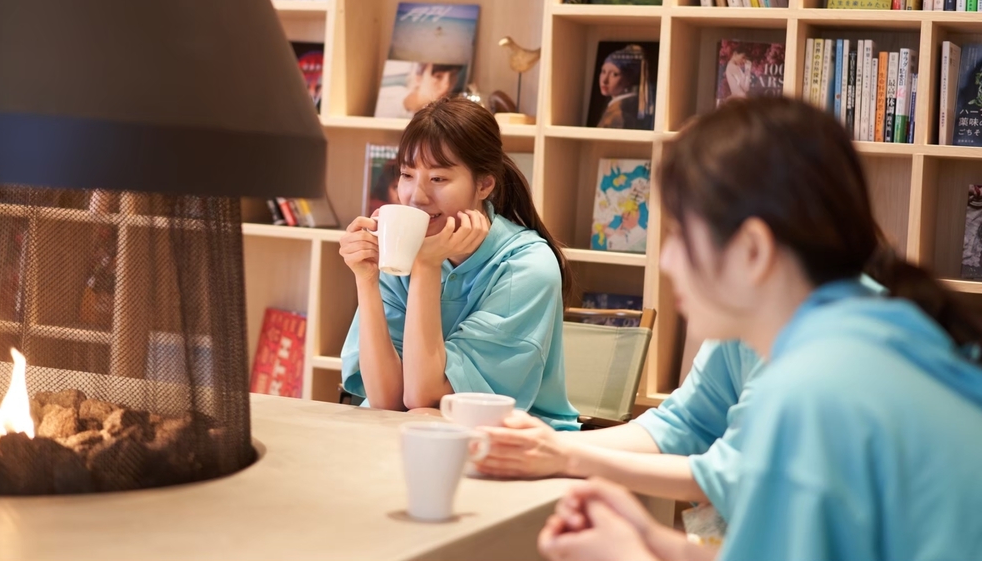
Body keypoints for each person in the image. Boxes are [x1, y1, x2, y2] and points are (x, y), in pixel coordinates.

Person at [537, 96, 982, 561]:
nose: (667, 261)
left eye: (678, 235)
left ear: (752, 250)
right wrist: (654, 542)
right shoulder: (875, 333)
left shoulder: (810, 387)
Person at [338, 98, 579, 429]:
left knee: (423, 419)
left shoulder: (528, 267)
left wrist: (426, 265)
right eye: (407, 175)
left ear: (484, 184)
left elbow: (423, 396)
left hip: (519, 442)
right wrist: (365, 278)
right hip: (407, 430)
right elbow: (385, 399)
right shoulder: (403, 245)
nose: (416, 196)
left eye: (438, 179)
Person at [476, 338, 762, 523]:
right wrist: (549, 443)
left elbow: (733, 478)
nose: (667, 261)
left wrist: (567, 455)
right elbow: (684, 423)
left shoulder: (797, 362)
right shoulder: (738, 334)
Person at [374, 62, 465, 119]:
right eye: (438, 76)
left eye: (453, 75)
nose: (447, 85)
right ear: (418, 78)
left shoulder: (452, 116)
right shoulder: (385, 102)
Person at [591, 45, 647, 130]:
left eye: (614, 74)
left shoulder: (618, 114)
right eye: (603, 71)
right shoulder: (615, 108)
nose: (604, 80)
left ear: (629, 79)